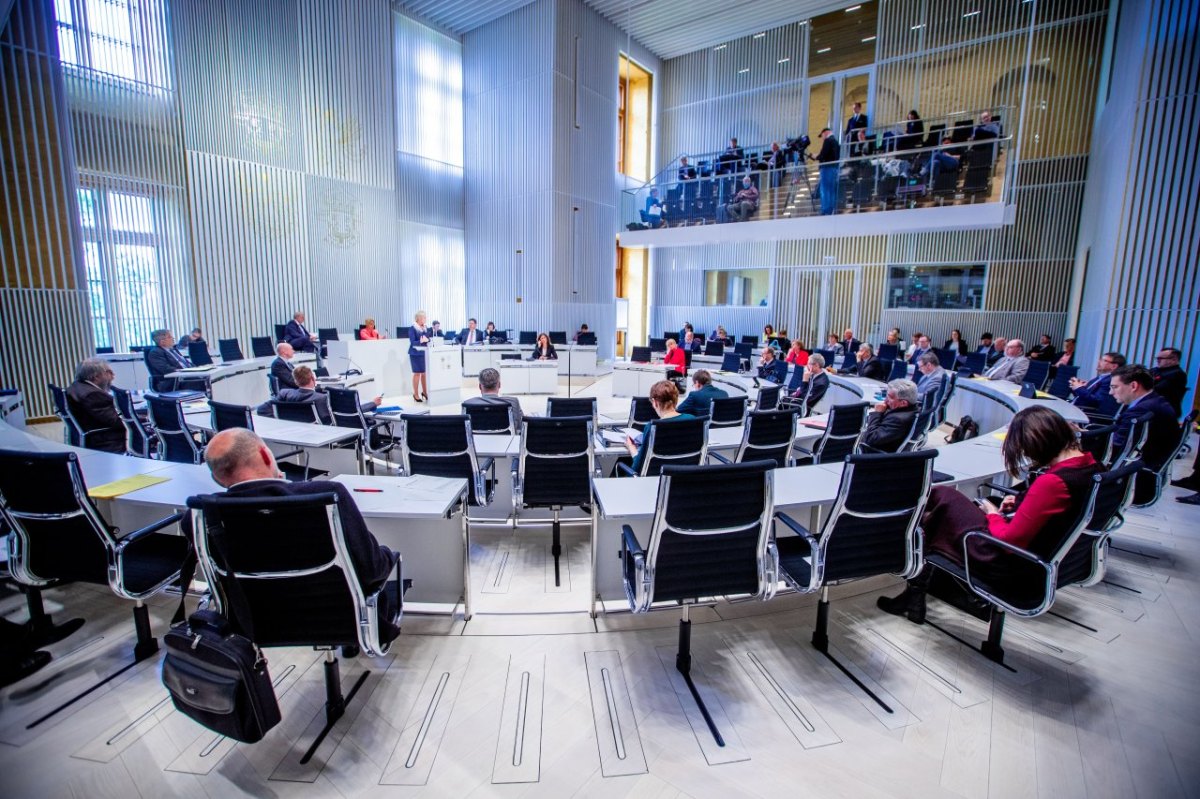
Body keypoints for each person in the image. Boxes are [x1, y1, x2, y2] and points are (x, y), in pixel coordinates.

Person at [877, 405, 1102, 624]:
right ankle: (914, 594)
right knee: (939, 513)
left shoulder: (1053, 482)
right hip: (1040, 556)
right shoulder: (1092, 467)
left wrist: (993, 514)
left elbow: (1007, 541)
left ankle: (911, 586)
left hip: (1006, 563)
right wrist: (1024, 502)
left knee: (941, 498)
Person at [194, 428, 401, 640]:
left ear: (217, 478)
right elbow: (372, 568)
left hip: (255, 625)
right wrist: (388, 555)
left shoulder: (204, 517)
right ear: (266, 455)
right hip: (342, 620)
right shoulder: (325, 496)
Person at [1109, 364, 1181, 498]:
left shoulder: (1142, 410)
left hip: (1135, 477)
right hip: (1142, 466)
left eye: (1114, 387)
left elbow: (1116, 446)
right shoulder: (1155, 401)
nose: (1111, 392)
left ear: (1134, 386)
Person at [623, 380, 695, 475]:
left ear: (655, 402)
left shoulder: (652, 427)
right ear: (676, 399)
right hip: (684, 479)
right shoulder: (692, 420)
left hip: (655, 480)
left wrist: (631, 447)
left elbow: (637, 467)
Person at [274, 365, 380, 423]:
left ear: (296, 381)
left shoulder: (285, 393)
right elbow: (351, 411)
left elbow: (262, 409)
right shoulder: (322, 399)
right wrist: (373, 403)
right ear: (313, 379)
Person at [66, 357, 126, 453]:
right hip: (104, 439)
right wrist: (141, 417)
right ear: (96, 377)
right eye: (109, 372)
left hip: (88, 434)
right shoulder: (92, 395)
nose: (113, 375)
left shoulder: (77, 386)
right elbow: (117, 422)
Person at [859, 379, 919, 452]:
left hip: (875, 453)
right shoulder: (913, 409)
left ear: (903, 403)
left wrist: (877, 413)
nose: (885, 400)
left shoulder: (897, 420)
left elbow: (871, 438)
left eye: (890, 397)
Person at [146, 328, 195, 392]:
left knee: (203, 378)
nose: (173, 339)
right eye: (169, 337)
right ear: (162, 341)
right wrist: (183, 371)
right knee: (201, 382)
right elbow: (165, 369)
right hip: (172, 382)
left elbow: (185, 362)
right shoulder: (155, 352)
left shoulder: (172, 349)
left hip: (184, 376)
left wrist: (195, 368)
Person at [1151, 347, 1186, 416]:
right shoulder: (1155, 370)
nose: (1158, 360)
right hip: (1152, 408)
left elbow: (1157, 389)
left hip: (1164, 412)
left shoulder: (1178, 374)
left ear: (1174, 359)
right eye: (1157, 358)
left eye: (1161, 358)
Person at [815, 128, 840, 216]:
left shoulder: (827, 141)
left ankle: (825, 209)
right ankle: (831, 209)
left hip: (826, 168)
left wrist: (816, 157)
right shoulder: (836, 142)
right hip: (834, 168)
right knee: (832, 189)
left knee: (825, 189)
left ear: (825, 133)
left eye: (822, 135)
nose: (822, 138)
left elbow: (823, 154)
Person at [408, 310, 430, 402]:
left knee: (424, 374)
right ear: (418, 319)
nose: (425, 319)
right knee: (417, 373)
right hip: (415, 354)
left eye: (425, 317)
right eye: (423, 318)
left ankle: (425, 392)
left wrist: (427, 339)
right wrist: (421, 340)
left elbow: (427, 339)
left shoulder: (425, 328)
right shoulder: (412, 328)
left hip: (424, 353)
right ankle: (416, 394)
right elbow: (413, 342)